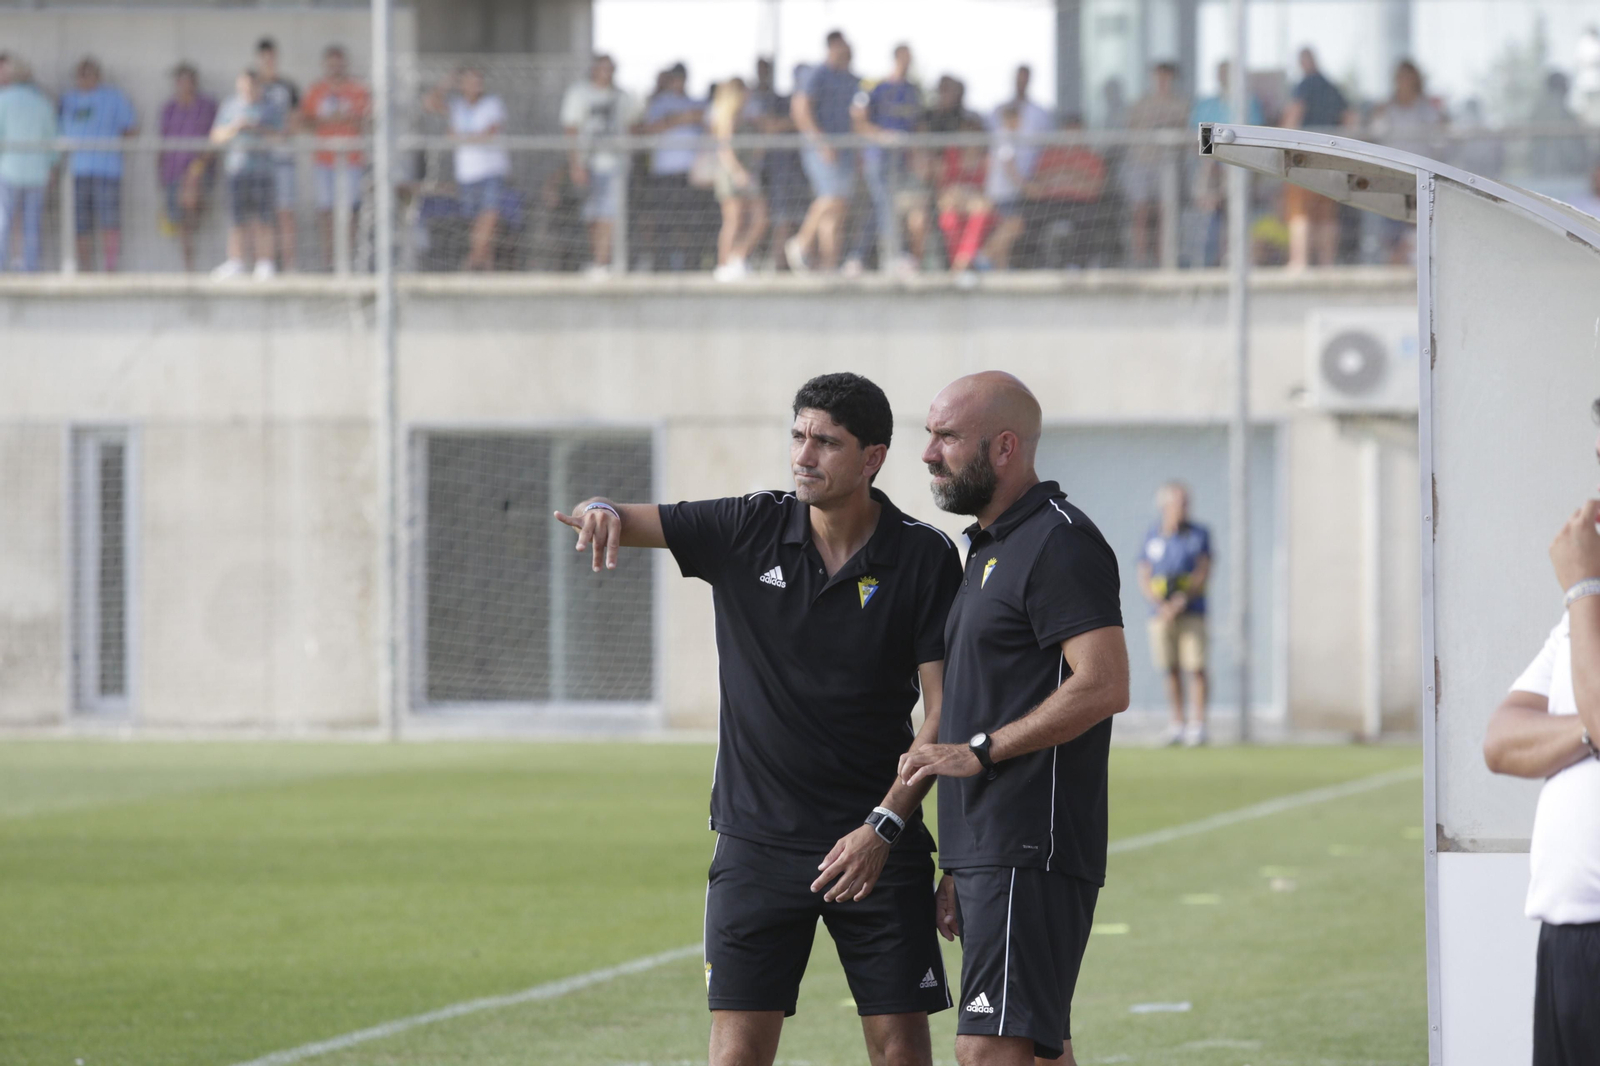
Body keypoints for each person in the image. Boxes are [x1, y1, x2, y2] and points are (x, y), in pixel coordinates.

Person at [553, 372, 961, 1066]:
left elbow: (945, 714)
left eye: (827, 442)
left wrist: (884, 825)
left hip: (880, 846)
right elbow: (618, 510)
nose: (804, 454)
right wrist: (597, 507)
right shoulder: (747, 526)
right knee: (737, 1055)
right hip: (755, 846)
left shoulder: (923, 556)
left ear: (873, 458)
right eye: (798, 435)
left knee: (900, 1053)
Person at [901, 371, 1129, 1066]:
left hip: (1031, 843)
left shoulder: (1060, 542)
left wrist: (982, 750)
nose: (928, 454)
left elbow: (1105, 685)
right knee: (1039, 1048)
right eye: (929, 435)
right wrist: (959, 863)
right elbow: (982, 697)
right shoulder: (987, 547)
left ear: (1004, 448)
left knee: (987, 1049)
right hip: (989, 850)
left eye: (946, 437)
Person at [1483, 398, 1600, 1065]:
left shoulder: (1588, 596)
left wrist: (1581, 586)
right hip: (1569, 939)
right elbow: (1502, 740)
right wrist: (1590, 727)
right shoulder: (1588, 610)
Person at [1138, 481, 1211, 746]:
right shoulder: (1153, 535)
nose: (1184, 508)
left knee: (1196, 667)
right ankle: (1177, 723)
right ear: (1166, 505)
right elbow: (1144, 574)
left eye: (1187, 503)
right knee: (1170, 668)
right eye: (1180, 502)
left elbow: (1203, 570)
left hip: (1191, 611)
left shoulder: (1199, 534)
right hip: (1161, 614)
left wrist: (1182, 600)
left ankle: (1198, 725)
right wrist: (1161, 605)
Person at [559, 54, 640, 277]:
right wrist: (575, 164)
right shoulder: (579, 93)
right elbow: (571, 129)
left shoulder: (624, 96)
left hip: (616, 166)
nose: (607, 73)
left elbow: (633, 126)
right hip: (589, 165)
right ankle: (599, 260)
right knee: (592, 216)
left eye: (611, 69)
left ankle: (603, 262)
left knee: (609, 214)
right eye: (603, 68)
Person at [848, 44, 925, 276]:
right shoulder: (875, 86)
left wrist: (918, 154)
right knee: (885, 205)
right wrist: (882, 136)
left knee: (879, 207)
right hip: (877, 158)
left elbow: (918, 125)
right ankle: (893, 255)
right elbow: (858, 119)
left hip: (900, 162)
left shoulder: (913, 91)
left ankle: (856, 258)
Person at [787, 31, 860, 274]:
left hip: (845, 150)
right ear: (832, 46)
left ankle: (829, 264)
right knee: (830, 198)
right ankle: (801, 243)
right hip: (820, 149)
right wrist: (820, 143)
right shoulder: (816, 74)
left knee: (838, 210)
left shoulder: (850, 78)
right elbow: (800, 109)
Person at [424, 65, 510, 271]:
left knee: (489, 217)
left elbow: (489, 133)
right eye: (469, 81)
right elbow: (429, 103)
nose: (474, 85)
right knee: (476, 222)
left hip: (491, 170)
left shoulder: (492, 104)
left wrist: (459, 137)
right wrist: (446, 83)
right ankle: (485, 266)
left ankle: (471, 262)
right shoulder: (457, 106)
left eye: (477, 81)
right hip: (467, 173)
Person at [58, 57, 137, 272]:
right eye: (81, 74)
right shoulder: (68, 99)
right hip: (75, 172)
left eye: (89, 74)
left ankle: (110, 268)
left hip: (107, 170)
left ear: (98, 76)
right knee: (79, 224)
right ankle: (84, 268)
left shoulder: (113, 97)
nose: (84, 79)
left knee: (109, 221)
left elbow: (131, 128)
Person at [1368, 60, 1445, 264]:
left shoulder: (1427, 110)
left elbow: (1439, 143)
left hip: (1420, 178)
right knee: (1392, 234)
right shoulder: (1387, 109)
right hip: (1391, 178)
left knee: (1419, 232)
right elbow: (1377, 134)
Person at [302, 45, 370, 271]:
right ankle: (329, 261)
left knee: (350, 211)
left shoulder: (357, 89)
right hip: (324, 161)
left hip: (351, 160)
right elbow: (306, 121)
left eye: (339, 62)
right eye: (331, 63)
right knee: (326, 211)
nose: (335, 67)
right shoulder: (316, 90)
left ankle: (348, 260)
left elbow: (364, 120)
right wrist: (332, 120)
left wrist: (341, 119)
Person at [1281, 48, 1350, 268]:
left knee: (1300, 212)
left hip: (1304, 158)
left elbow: (1293, 116)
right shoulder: (1332, 87)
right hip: (1330, 157)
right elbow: (1350, 118)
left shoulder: (1305, 85)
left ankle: (1299, 262)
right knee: (1326, 214)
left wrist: (1281, 143)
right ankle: (1326, 262)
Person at [1188, 60, 1262, 267]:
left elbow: (1252, 137)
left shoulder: (1248, 102)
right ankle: (1206, 260)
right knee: (1209, 216)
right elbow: (1200, 138)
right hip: (1211, 169)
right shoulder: (1207, 104)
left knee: (1237, 216)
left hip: (1238, 170)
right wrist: (1211, 168)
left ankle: (1234, 258)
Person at [210, 69, 278, 279]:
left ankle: (264, 263)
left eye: (252, 87)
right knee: (236, 218)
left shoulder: (269, 107)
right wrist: (235, 127)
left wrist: (258, 128)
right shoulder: (230, 106)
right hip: (237, 170)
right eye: (244, 87)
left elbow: (281, 137)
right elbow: (216, 137)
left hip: (262, 170)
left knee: (263, 218)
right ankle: (236, 262)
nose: (247, 91)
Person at [1021, 113, 1111, 268]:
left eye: (1076, 132)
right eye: (1068, 131)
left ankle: (1078, 264)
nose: (1072, 136)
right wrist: (1076, 177)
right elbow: (1039, 184)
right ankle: (1038, 264)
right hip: (1050, 204)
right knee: (1029, 220)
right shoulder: (1049, 155)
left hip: (1081, 204)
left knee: (1087, 224)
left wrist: (1061, 176)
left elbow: (1095, 188)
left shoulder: (1091, 157)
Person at [637, 62, 704, 272]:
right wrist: (680, 119)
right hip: (664, 174)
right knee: (664, 222)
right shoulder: (659, 103)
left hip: (691, 174)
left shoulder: (696, 103)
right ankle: (662, 265)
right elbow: (647, 130)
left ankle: (691, 265)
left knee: (690, 223)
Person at [1120, 61, 1188, 268]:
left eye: (1166, 77)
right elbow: (1130, 128)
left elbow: (1183, 131)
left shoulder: (1180, 104)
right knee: (1140, 212)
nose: (1162, 81)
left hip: (1166, 167)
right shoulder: (1141, 103)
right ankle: (1139, 259)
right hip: (1140, 163)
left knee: (1164, 213)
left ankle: (1163, 260)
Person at [156, 63, 218, 272]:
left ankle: (192, 264)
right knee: (181, 220)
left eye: (188, 80)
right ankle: (188, 267)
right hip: (173, 172)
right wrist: (160, 173)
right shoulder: (169, 109)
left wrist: (198, 168)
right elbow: (162, 142)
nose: (184, 85)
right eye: (180, 81)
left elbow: (214, 140)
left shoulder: (207, 107)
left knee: (190, 205)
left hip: (198, 172)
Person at [927, 76, 989, 273]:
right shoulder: (952, 154)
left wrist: (969, 196)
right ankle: (959, 266)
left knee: (980, 210)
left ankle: (961, 265)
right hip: (953, 200)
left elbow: (986, 194)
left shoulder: (986, 159)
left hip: (978, 204)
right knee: (949, 216)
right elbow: (943, 187)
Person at [0, 59, 57, 273]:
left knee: (4, 220)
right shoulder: (42, 103)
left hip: (8, 169)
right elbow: (52, 139)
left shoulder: (3, 100)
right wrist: (51, 166)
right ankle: (30, 267)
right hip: (37, 172)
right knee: (31, 223)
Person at [709, 76, 767, 281]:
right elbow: (724, 148)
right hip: (732, 174)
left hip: (748, 172)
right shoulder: (726, 115)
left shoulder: (747, 115)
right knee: (734, 219)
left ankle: (738, 257)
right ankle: (724, 264)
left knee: (759, 217)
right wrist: (737, 172)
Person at [255, 39, 300, 271]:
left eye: (272, 57)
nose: (268, 62)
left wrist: (275, 135)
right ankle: (266, 263)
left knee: (285, 213)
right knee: (262, 215)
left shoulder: (287, 87)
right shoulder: (253, 86)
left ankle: (290, 265)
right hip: (258, 162)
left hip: (282, 159)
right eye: (264, 58)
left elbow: (294, 123)